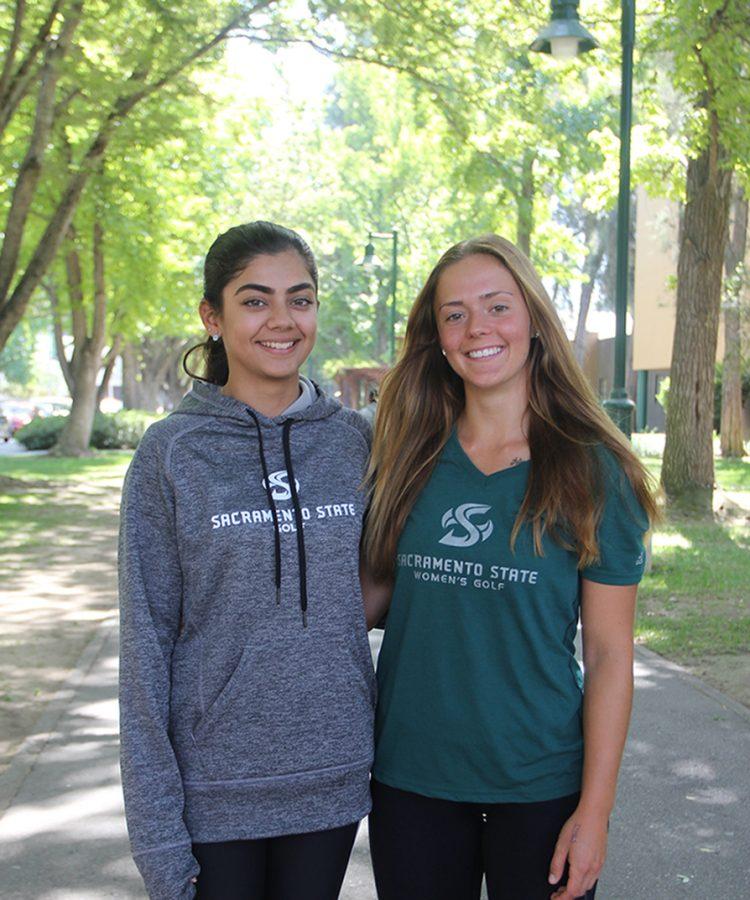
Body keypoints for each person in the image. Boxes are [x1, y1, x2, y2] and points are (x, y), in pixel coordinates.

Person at [362, 235, 658, 900]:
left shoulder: (593, 470)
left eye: (497, 306)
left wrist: (596, 812)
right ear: (436, 335)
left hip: (541, 783)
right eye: (455, 313)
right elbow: (370, 599)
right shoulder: (406, 455)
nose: (477, 329)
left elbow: (610, 655)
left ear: (532, 320)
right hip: (412, 778)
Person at [118, 221, 376, 900]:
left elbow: (388, 592)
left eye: (301, 298)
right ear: (213, 316)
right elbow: (145, 648)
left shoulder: (356, 443)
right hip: (214, 785)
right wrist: (155, 832)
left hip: (333, 773)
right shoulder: (172, 454)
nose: (282, 321)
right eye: (255, 300)